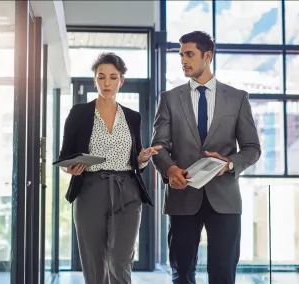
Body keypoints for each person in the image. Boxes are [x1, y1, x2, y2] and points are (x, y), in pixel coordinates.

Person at [151, 31, 261, 284]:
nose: (183, 61)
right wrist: (170, 170)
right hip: (182, 195)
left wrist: (229, 163)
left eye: (189, 54)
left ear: (208, 56)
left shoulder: (237, 98)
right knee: (182, 273)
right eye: (181, 55)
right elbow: (159, 146)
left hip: (225, 198)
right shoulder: (169, 99)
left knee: (223, 273)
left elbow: (252, 147)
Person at [58, 52, 160, 284]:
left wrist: (142, 158)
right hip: (90, 190)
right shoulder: (79, 113)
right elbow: (66, 156)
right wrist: (71, 168)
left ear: (121, 81)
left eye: (113, 77)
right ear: (94, 79)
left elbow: (136, 159)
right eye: (101, 77)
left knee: (120, 259)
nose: (106, 83)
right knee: (94, 261)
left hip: (128, 190)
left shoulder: (133, 117)